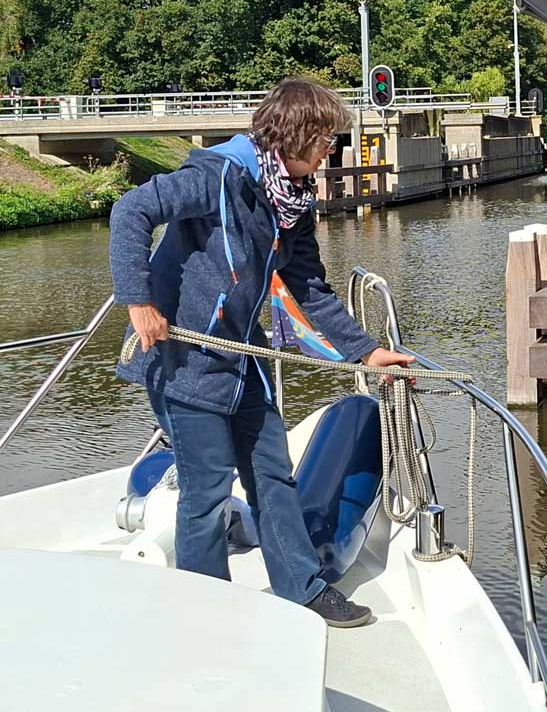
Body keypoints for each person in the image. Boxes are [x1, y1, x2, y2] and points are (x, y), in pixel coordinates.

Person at [109, 77, 412, 628]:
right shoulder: (216, 177)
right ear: (296, 135)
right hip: (182, 361)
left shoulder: (293, 201)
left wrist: (365, 352)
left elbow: (308, 285)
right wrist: (138, 301)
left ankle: (302, 590)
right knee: (206, 490)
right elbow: (130, 212)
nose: (332, 151)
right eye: (326, 140)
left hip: (241, 359)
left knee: (272, 473)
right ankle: (208, 613)